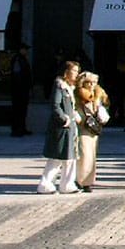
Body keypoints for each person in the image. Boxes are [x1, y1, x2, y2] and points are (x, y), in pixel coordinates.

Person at [37, 61, 81, 195]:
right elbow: (55, 106)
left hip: (70, 127)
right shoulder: (59, 86)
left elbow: (69, 106)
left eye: (77, 71)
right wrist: (65, 118)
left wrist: (74, 114)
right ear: (66, 72)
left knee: (70, 157)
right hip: (61, 128)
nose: (76, 74)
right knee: (56, 157)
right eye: (74, 71)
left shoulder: (69, 87)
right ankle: (45, 184)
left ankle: (67, 184)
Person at [75, 70, 109, 192]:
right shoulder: (79, 93)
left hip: (94, 127)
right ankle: (80, 180)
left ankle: (88, 182)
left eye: (94, 82)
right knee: (84, 154)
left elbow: (106, 104)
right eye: (88, 82)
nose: (91, 85)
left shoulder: (98, 93)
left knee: (92, 155)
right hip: (83, 126)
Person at [9, 43, 33, 137]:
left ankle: (21, 128)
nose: (26, 51)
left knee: (22, 110)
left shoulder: (22, 59)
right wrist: (21, 87)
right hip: (19, 90)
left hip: (22, 89)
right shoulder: (18, 59)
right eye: (25, 49)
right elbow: (17, 74)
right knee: (18, 110)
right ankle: (17, 130)